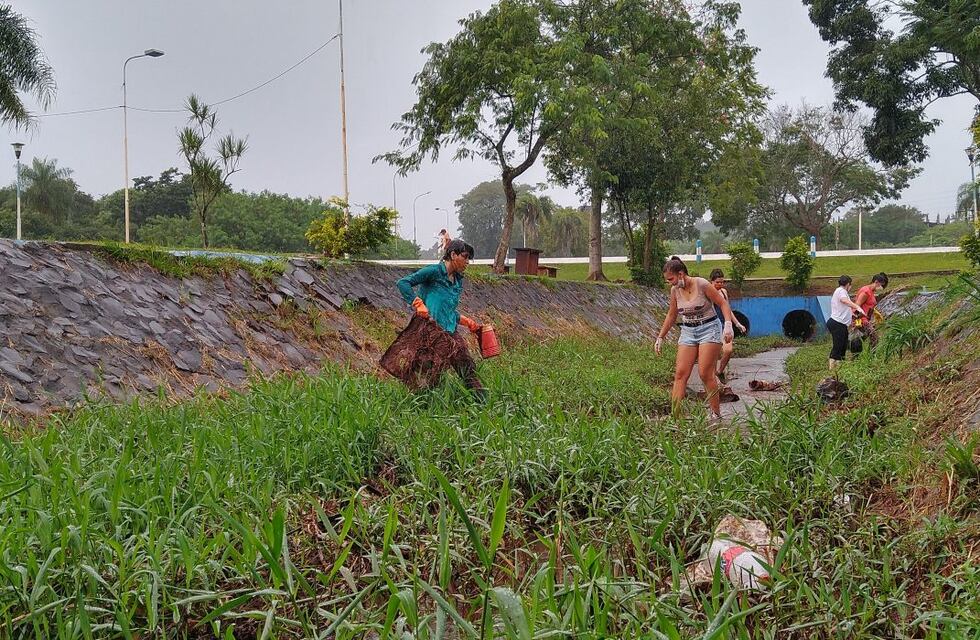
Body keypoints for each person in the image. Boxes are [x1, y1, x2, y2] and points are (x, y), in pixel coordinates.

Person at [396, 239, 487, 400]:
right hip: (430, 331)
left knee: (466, 364)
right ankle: (420, 404)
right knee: (432, 372)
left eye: (468, 259)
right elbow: (403, 283)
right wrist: (418, 304)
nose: (467, 262)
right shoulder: (434, 272)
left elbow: (446, 310)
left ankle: (482, 402)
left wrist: (466, 322)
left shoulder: (457, 280)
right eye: (465, 257)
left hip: (449, 331)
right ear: (453, 255)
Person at [654, 257, 736, 421]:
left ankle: (715, 413)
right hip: (688, 330)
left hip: (709, 328)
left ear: (681, 273)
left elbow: (722, 304)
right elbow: (672, 314)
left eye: (671, 279)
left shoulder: (702, 284)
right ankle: (675, 416)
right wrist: (660, 337)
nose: (670, 283)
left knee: (705, 373)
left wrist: (728, 325)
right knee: (680, 374)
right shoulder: (674, 291)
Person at [709, 269, 747, 383]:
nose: (720, 284)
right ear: (711, 282)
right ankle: (712, 382)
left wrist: (737, 324)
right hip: (712, 326)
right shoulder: (708, 292)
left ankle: (720, 371)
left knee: (728, 350)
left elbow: (728, 310)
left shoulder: (724, 292)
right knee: (713, 354)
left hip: (725, 325)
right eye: (717, 282)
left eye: (722, 282)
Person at [827, 275, 866, 370]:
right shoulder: (841, 291)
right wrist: (857, 307)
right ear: (848, 284)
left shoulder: (841, 291)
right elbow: (844, 301)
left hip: (841, 324)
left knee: (843, 345)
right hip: (837, 323)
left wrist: (853, 316)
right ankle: (832, 368)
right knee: (838, 345)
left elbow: (844, 308)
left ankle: (840, 366)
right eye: (850, 284)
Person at [852, 272, 888, 348]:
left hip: (866, 319)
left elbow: (868, 305)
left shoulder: (871, 292)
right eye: (881, 285)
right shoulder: (866, 292)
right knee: (875, 339)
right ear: (876, 282)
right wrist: (858, 321)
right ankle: (871, 357)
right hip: (862, 320)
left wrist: (875, 312)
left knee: (860, 339)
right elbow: (857, 306)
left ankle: (856, 356)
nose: (881, 287)